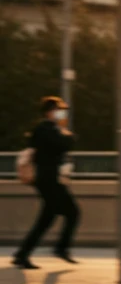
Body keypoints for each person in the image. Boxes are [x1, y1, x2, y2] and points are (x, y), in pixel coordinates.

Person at [12, 96, 80, 269]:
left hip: (48, 180)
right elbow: (66, 143)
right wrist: (65, 132)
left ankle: (22, 254)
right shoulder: (46, 129)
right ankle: (61, 248)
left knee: (47, 219)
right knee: (73, 212)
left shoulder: (48, 128)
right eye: (60, 110)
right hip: (49, 180)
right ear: (50, 112)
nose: (62, 114)